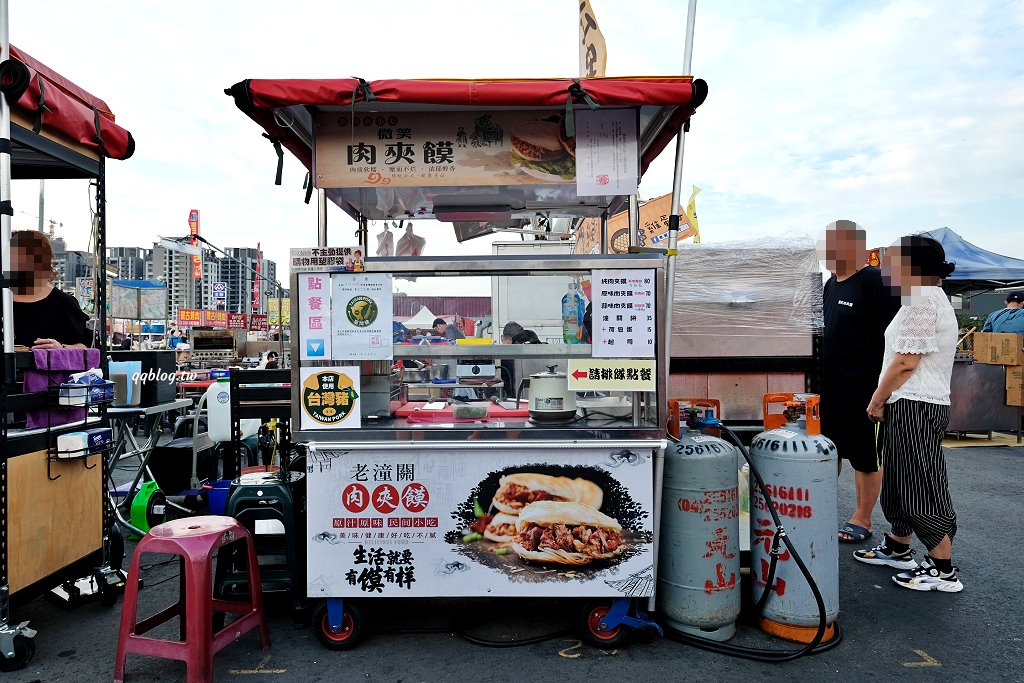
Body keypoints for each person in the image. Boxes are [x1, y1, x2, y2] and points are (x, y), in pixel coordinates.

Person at [854, 235, 962, 593]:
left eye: (893, 260)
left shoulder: (922, 298)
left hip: (917, 402)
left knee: (920, 483)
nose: (886, 267)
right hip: (910, 401)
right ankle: (899, 546)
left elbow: (905, 362)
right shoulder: (920, 297)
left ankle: (942, 567)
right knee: (900, 481)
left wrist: (876, 400)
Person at [819, 220, 901, 543]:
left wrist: (885, 389)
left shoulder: (875, 281)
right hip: (830, 387)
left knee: (865, 456)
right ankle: (822, 510)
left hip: (865, 388)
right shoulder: (830, 285)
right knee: (828, 451)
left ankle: (863, 518)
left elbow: (897, 334)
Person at [10, 230, 91, 350]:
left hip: (49, 369)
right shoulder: (3, 299)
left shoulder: (63, 303)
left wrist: (61, 349)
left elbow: (86, 346)